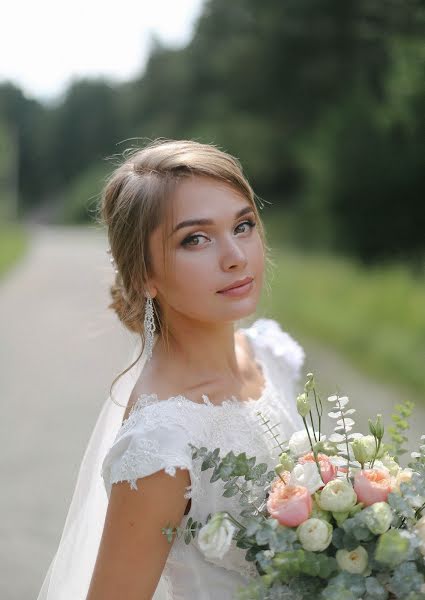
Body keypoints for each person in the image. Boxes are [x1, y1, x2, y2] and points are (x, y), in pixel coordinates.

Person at [36, 138, 306, 600]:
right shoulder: (161, 444)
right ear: (144, 275)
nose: (235, 256)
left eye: (243, 225)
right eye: (195, 239)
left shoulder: (267, 354)